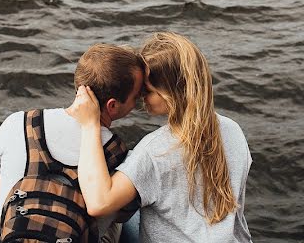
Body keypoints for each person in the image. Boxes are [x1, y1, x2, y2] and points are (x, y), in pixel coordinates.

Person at [69, 32, 253, 243]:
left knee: (126, 218)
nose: (140, 96)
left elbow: (99, 203)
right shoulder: (233, 130)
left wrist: (90, 125)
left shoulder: (156, 150)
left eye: (148, 90)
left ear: (171, 94)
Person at [0, 44, 144, 243]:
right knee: (118, 211)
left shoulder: (17, 122)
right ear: (112, 105)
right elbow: (121, 215)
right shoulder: (119, 154)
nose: (137, 103)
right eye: (136, 98)